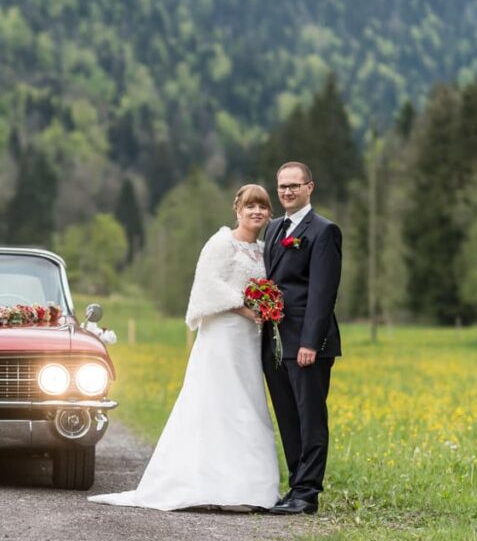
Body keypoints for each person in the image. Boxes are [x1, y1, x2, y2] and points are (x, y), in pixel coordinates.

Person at [88, 185, 280, 511]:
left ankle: (246, 486)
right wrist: (244, 307)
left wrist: (265, 306)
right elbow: (208, 284)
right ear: (237, 209)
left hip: (250, 338)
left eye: (262, 207)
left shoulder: (263, 250)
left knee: (247, 403)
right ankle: (206, 483)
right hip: (223, 333)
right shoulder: (222, 242)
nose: (257, 212)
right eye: (250, 206)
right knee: (218, 401)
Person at [260, 162, 342, 515]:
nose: (288, 192)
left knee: (310, 418)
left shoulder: (324, 231)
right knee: (287, 417)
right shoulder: (274, 228)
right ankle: (295, 486)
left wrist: (310, 342)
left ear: (310, 187)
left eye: (295, 185)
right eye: (282, 187)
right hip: (275, 343)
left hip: (307, 344)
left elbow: (323, 292)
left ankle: (308, 494)